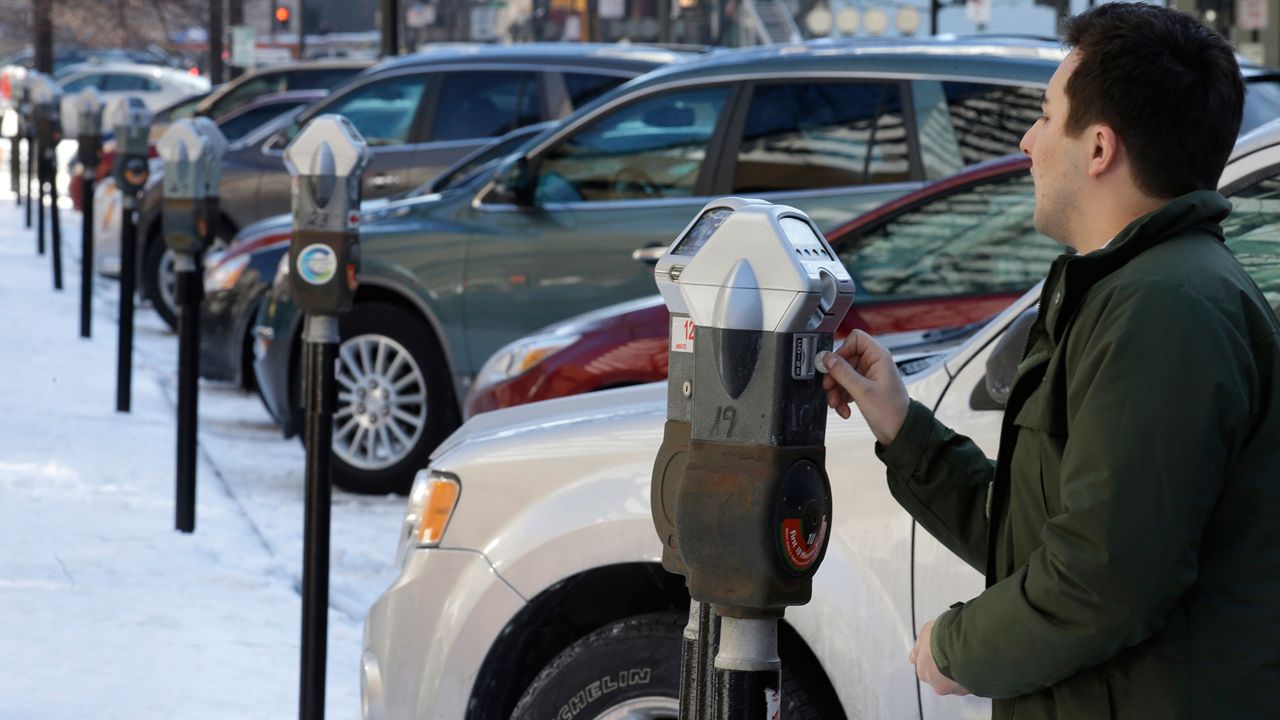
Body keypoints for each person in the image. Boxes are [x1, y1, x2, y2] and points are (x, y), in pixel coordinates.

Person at [818, 3, 1280, 718]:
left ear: (1098, 148)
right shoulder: (1129, 289)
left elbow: (1106, 578)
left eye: (1043, 115)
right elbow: (1041, 536)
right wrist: (903, 427)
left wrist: (958, 646)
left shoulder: (1166, 309)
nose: (1028, 143)